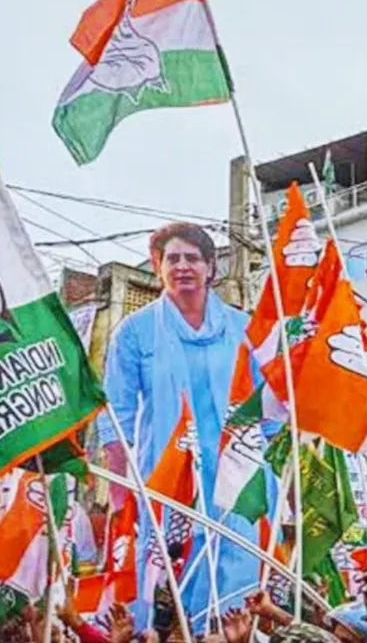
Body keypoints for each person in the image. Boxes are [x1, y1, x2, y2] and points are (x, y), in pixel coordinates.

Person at [98, 222, 262, 631]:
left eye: (192, 258)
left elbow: (269, 410)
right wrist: (120, 498)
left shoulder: (246, 331)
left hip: (234, 481)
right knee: (156, 589)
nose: (182, 266)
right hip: (164, 480)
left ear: (211, 267)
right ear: (158, 267)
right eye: (173, 258)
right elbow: (115, 418)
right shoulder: (134, 332)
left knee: (233, 594)